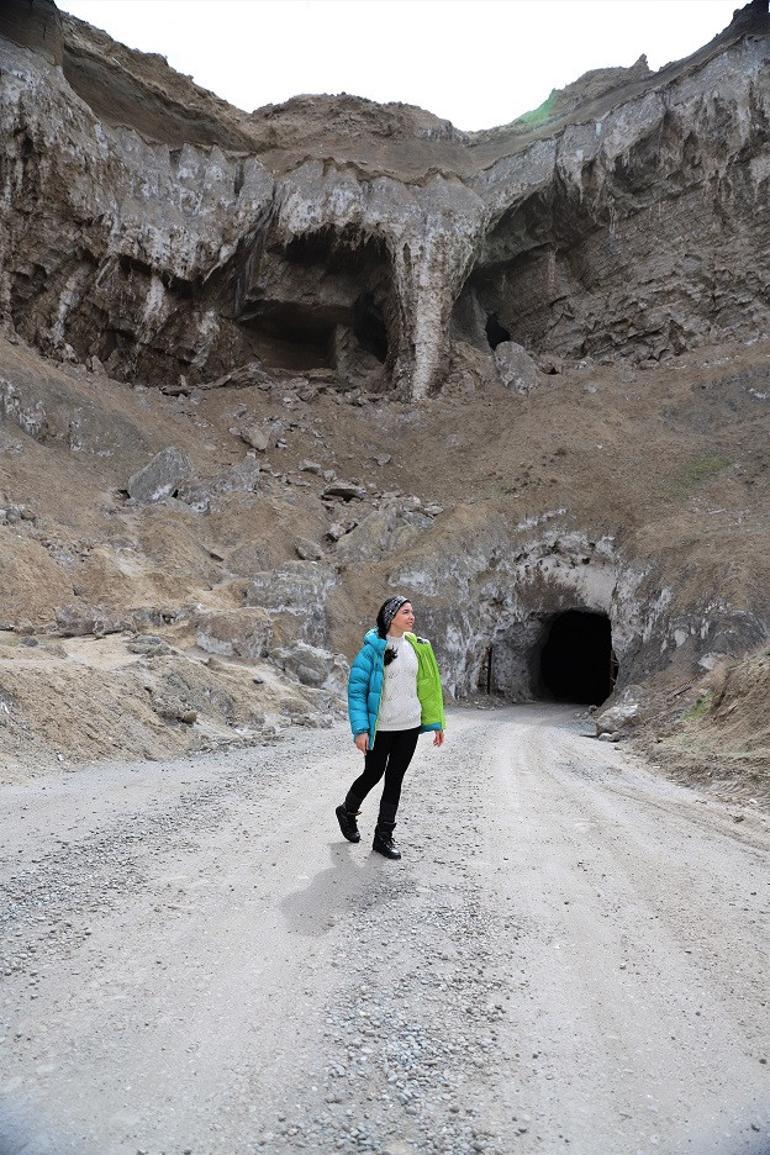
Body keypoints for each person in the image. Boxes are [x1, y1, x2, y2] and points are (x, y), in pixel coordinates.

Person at [336, 595, 445, 860]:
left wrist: (436, 722)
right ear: (391, 617)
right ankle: (347, 811)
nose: (412, 616)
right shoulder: (372, 650)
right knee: (373, 773)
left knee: (395, 778)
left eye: (412, 612)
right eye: (406, 612)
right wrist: (361, 729)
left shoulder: (418, 646)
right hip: (381, 727)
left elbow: (429, 687)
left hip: (409, 726)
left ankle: (383, 836)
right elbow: (357, 692)